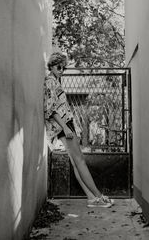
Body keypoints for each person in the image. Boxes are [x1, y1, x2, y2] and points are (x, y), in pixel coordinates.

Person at [44, 52, 114, 207]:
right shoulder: (50, 81)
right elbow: (50, 109)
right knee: (80, 161)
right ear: (52, 66)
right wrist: (65, 128)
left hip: (65, 124)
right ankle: (99, 196)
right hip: (63, 126)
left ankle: (91, 199)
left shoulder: (55, 81)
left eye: (64, 67)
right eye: (58, 66)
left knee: (76, 163)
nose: (61, 69)